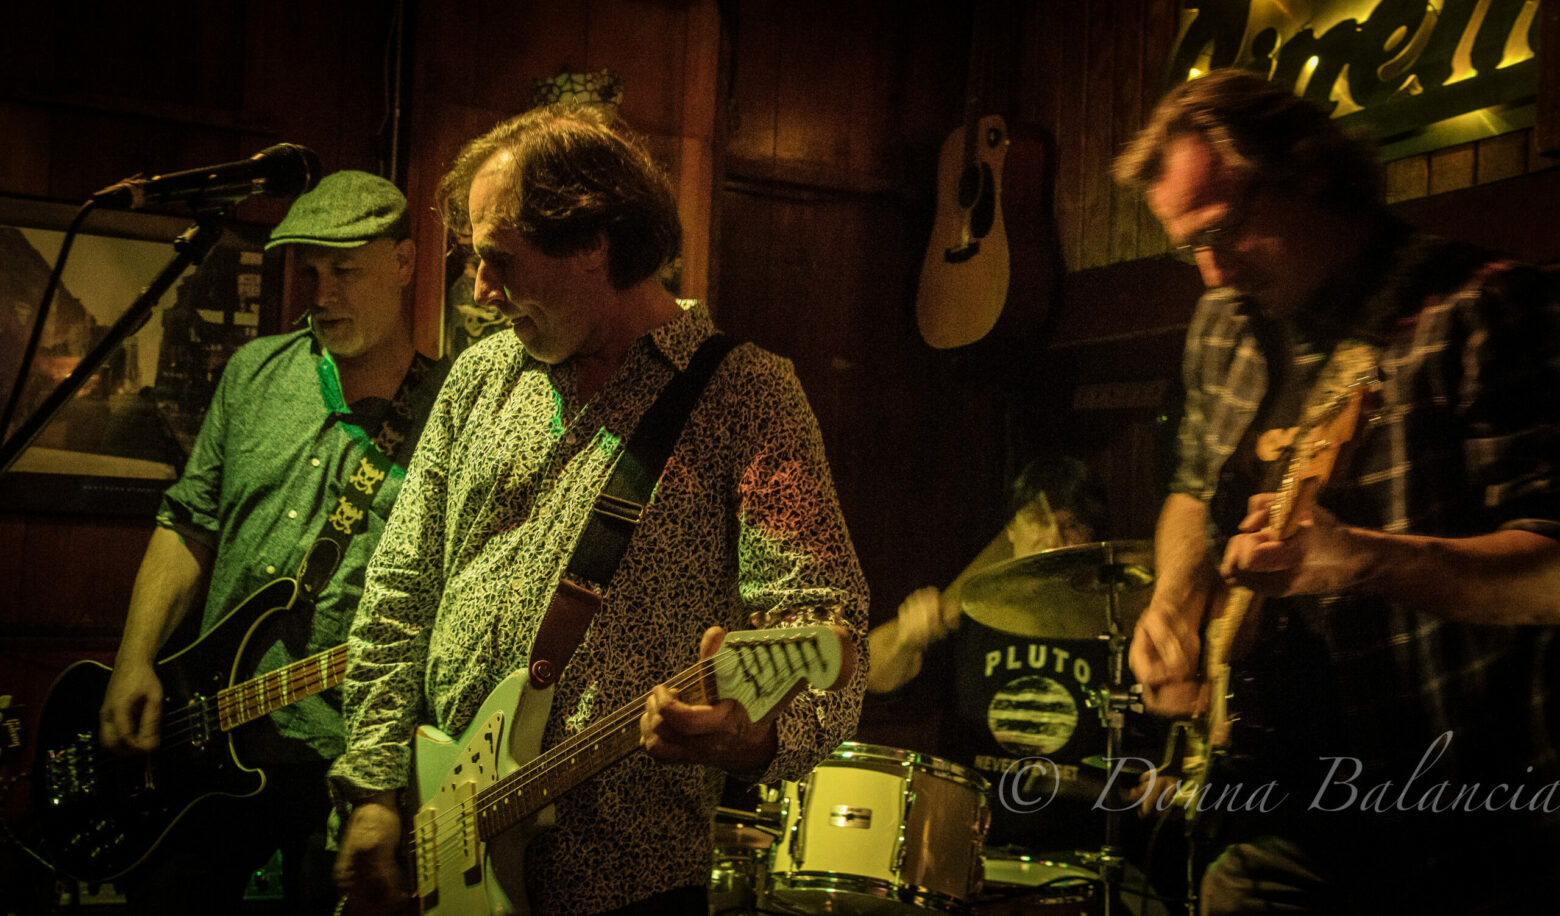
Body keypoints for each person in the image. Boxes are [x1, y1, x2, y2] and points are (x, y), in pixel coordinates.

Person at [328, 104, 868, 916]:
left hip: (625, 883)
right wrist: (373, 788)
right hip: (436, 842)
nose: (480, 290)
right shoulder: (478, 379)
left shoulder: (748, 395)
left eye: (499, 260)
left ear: (592, 242)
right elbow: (398, 593)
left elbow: (828, 622)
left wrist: (755, 738)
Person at [1115, 69, 1560, 913]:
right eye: (1187, 248)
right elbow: (1193, 487)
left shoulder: (1486, 309)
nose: (1211, 273)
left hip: (1465, 818)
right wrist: (1175, 599)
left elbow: (1553, 574)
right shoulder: (1224, 326)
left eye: (1224, 231)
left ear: (1309, 169)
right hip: (1274, 813)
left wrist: (1363, 560)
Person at [97, 170, 450, 915]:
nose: (321, 295)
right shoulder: (255, 373)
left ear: (404, 263)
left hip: (347, 757)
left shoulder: (448, 411)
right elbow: (188, 522)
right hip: (204, 732)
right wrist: (134, 659)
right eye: (310, 272)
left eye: (345, 272)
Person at [865, 456, 1133, 855]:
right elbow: (870, 674)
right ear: (1011, 528)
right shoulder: (971, 612)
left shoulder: (1116, 624)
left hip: (1079, 851)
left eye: (1072, 525)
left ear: (1092, 537)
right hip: (967, 843)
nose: (1053, 538)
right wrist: (907, 637)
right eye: (1038, 521)